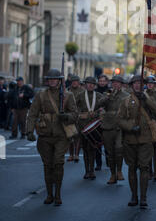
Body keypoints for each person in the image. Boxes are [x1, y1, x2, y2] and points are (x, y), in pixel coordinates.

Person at [26, 69, 77, 206]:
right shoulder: (41, 95)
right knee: (47, 165)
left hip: (61, 135)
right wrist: (29, 131)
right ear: (47, 81)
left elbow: (74, 114)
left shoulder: (68, 95)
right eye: (50, 79)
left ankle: (58, 194)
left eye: (56, 79)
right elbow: (32, 114)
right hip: (45, 135)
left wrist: (65, 116)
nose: (53, 81)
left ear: (60, 81)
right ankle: (49, 194)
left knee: (58, 163)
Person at [117, 75, 156, 209]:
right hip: (130, 139)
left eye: (140, 83)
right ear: (131, 85)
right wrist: (131, 126)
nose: (137, 85)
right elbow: (119, 119)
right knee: (132, 168)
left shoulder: (149, 98)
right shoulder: (125, 101)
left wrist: (147, 100)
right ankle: (134, 196)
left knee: (144, 167)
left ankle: (143, 197)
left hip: (146, 138)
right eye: (135, 83)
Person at [100, 75, 129, 184]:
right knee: (110, 152)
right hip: (107, 125)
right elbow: (99, 104)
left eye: (117, 83)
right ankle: (112, 174)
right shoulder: (106, 94)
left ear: (121, 85)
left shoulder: (126, 95)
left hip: (119, 126)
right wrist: (108, 96)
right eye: (114, 83)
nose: (115, 84)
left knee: (119, 149)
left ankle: (119, 171)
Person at [76, 77, 105, 180]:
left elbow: (104, 108)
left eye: (92, 84)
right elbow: (74, 109)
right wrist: (80, 115)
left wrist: (99, 112)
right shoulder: (79, 96)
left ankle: (92, 170)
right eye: (88, 83)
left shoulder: (99, 96)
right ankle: (86, 171)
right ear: (85, 85)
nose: (90, 85)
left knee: (93, 148)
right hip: (83, 126)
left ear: (95, 85)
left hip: (95, 126)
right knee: (85, 149)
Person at [67, 75, 84, 162]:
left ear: (78, 82)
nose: (74, 82)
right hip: (69, 116)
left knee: (77, 136)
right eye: (73, 81)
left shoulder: (82, 91)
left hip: (79, 116)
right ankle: (71, 155)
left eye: (76, 81)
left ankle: (76, 155)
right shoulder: (67, 91)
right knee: (70, 136)